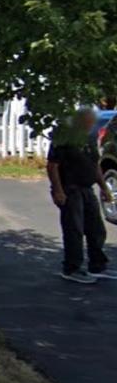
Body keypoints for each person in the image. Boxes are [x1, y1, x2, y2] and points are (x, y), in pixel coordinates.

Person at [47, 106, 113, 284]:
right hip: (70, 188)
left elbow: (96, 165)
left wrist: (104, 187)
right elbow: (53, 166)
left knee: (96, 229)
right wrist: (58, 190)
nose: (92, 124)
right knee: (74, 229)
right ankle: (72, 268)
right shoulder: (64, 137)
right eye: (88, 121)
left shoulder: (89, 138)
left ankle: (97, 265)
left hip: (87, 188)